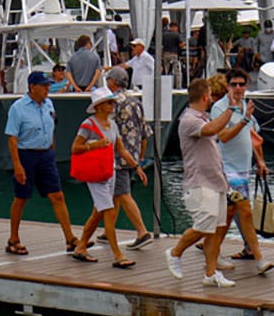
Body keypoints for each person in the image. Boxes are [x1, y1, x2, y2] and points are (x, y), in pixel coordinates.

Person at [164, 78, 236, 287]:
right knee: (205, 226)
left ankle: (211, 274)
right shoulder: (190, 120)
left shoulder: (201, 117)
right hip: (199, 183)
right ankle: (175, 252)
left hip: (216, 182)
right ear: (205, 96)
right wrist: (231, 109)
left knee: (215, 229)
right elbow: (212, 129)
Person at [68, 87, 145, 268]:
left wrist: (136, 166)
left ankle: (80, 247)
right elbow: (75, 148)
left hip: (109, 172)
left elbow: (121, 149)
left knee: (98, 212)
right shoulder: (88, 125)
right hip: (95, 175)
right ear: (100, 106)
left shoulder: (113, 125)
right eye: (110, 102)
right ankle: (118, 255)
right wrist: (94, 145)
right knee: (109, 212)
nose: (113, 105)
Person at [5, 71, 80, 255]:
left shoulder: (49, 104)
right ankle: (13, 239)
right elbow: (12, 138)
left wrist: (51, 148)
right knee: (21, 198)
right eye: (44, 85)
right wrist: (17, 165)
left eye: (48, 85)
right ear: (32, 87)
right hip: (26, 155)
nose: (48, 88)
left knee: (57, 196)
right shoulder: (18, 108)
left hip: (46, 155)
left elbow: (52, 124)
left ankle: (70, 238)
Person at [212, 68, 273, 272]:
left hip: (243, 170)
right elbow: (224, 136)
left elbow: (252, 137)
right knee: (245, 213)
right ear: (228, 86)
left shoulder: (245, 106)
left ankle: (213, 252)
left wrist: (261, 162)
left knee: (229, 215)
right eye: (234, 84)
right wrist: (244, 119)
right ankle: (259, 258)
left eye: (241, 84)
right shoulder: (220, 108)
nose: (238, 88)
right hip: (227, 170)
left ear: (247, 87)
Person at [101, 67, 152, 250]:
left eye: (108, 80)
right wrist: (141, 158)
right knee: (115, 193)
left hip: (118, 156)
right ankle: (109, 230)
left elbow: (107, 129)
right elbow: (145, 132)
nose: (107, 83)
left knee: (123, 193)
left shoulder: (113, 103)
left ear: (113, 82)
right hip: (134, 155)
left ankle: (142, 231)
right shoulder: (135, 102)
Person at [161, 22, 184, 88]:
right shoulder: (176, 35)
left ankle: (167, 86)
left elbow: (162, 45)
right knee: (177, 71)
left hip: (165, 54)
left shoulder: (164, 35)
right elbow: (181, 45)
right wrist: (184, 44)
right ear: (175, 27)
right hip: (174, 54)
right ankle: (178, 86)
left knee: (167, 71)